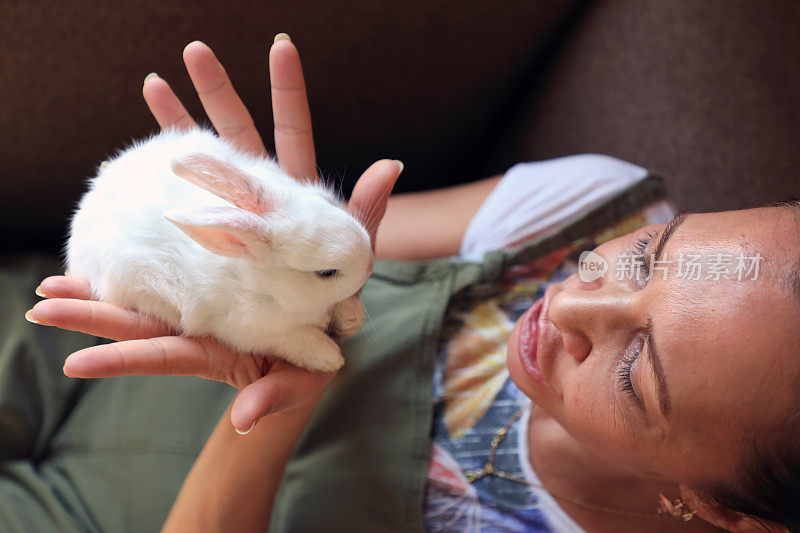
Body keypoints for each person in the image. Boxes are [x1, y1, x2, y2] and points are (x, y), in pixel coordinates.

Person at [18, 36, 800, 533]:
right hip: (69, 303)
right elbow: (344, 246)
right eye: (645, 257)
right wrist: (285, 212)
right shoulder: (592, 204)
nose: (566, 300)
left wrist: (273, 405)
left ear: (719, 508)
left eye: (634, 371)